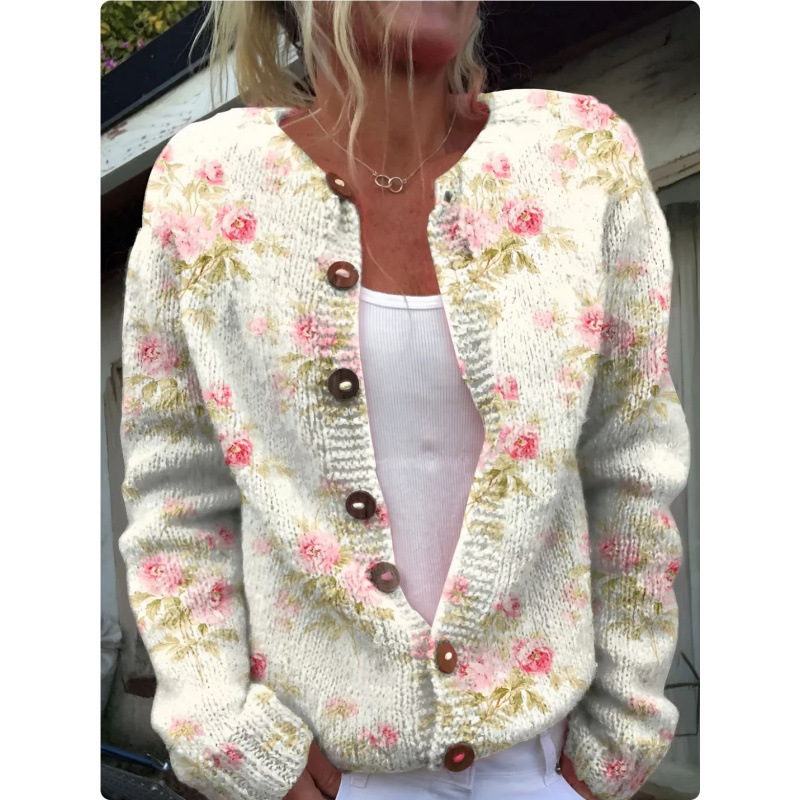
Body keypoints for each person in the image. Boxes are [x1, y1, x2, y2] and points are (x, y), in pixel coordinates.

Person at [117, 3, 691, 800]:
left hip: (542, 767)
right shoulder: (206, 183)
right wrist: (225, 734)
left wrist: (619, 740)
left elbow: (629, 462)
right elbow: (178, 494)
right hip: (313, 768)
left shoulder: (579, 157)